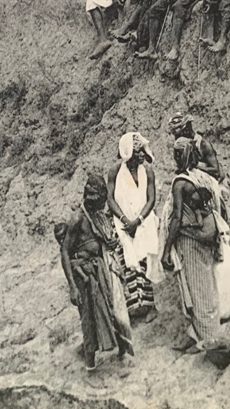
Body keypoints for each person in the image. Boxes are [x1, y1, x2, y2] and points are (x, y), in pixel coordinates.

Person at [160, 137, 230, 353]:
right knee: (206, 286)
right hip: (206, 239)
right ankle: (200, 335)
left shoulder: (181, 183)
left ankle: (209, 341)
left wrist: (166, 249)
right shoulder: (204, 177)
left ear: (179, 156)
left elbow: (177, 218)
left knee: (198, 290)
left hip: (190, 241)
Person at [60, 173, 135, 372]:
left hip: (100, 269)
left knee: (112, 309)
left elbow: (100, 239)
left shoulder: (97, 216)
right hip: (84, 274)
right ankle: (90, 363)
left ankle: (121, 351)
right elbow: (65, 252)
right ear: (92, 199)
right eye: (101, 200)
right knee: (88, 317)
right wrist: (72, 287)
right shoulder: (77, 219)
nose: (104, 204)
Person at [105, 133, 160, 323]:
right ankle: (135, 306)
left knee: (145, 262)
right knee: (128, 264)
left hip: (143, 222)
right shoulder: (115, 171)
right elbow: (110, 198)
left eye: (143, 150)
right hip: (123, 223)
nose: (142, 155)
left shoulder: (148, 172)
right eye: (138, 151)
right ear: (128, 153)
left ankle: (150, 305)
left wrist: (138, 220)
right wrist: (124, 220)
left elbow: (152, 199)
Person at [166, 112, 224, 181]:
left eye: (179, 135)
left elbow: (216, 170)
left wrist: (195, 167)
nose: (177, 139)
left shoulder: (203, 145)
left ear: (187, 129)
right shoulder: (181, 146)